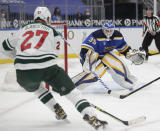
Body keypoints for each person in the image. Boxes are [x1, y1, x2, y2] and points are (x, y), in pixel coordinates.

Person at [0, 7, 107, 130]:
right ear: (47, 18)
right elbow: (54, 55)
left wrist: (18, 58)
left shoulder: (22, 29)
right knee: (73, 93)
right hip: (47, 67)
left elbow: (4, 47)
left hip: (22, 73)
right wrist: (59, 85)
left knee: (38, 89)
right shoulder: (52, 31)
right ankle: (91, 115)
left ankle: (55, 108)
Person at [72, 21, 146, 91]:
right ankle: (71, 85)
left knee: (118, 63)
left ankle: (129, 83)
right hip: (91, 57)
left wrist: (131, 55)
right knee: (95, 72)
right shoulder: (96, 35)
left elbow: (124, 49)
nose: (109, 33)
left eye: (111, 31)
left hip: (105, 55)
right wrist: (86, 60)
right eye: (107, 30)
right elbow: (85, 49)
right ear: (103, 29)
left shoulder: (118, 36)